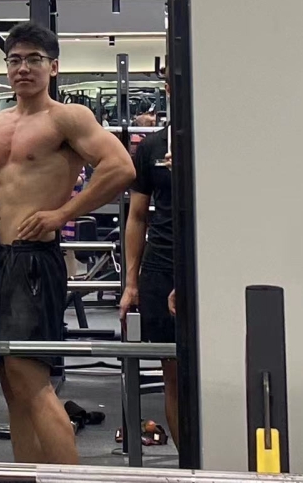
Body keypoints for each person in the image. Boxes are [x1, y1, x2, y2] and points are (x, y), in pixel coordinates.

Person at [0, 22, 135, 465]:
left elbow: (121, 167)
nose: (23, 68)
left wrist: (62, 213)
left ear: (53, 67)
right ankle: (28, 475)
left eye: (34, 59)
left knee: (31, 383)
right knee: (12, 387)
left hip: (36, 261)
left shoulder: (67, 118)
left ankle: (70, 478)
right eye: (15, 60)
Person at [120, 68, 178, 446]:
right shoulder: (153, 147)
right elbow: (137, 216)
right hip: (161, 267)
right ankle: (189, 464)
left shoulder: (220, 141)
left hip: (208, 264)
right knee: (173, 373)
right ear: (168, 88)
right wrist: (131, 283)